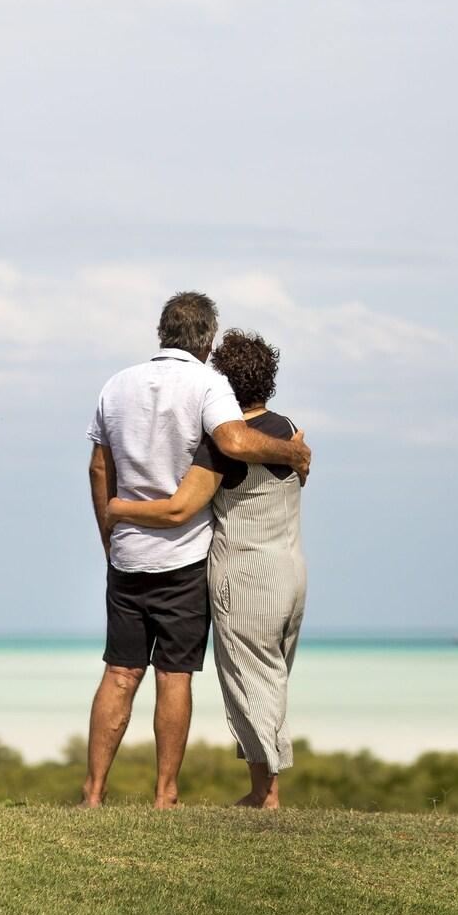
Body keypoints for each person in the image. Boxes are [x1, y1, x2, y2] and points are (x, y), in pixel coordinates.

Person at [83, 293, 310, 809]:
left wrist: (110, 530)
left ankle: (93, 793)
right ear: (207, 341)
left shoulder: (115, 385)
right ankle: (166, 795)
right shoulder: (209, 386)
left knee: (119, 672)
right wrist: (293, 451)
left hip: (127, 556)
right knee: (174, 675)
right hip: (185, 559)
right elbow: (235, 442)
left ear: (161, 331)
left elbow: (99, 467)